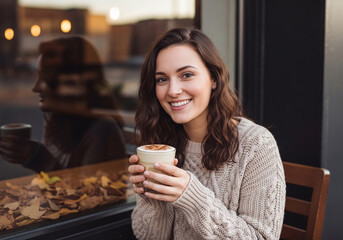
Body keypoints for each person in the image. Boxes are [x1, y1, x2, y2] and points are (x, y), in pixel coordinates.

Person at [128, 28, 286, 239]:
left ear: (213, 78)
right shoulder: (162, 143)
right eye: (162, 79)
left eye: (187, 75)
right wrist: (152, 195)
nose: (173, 90)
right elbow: (148, 237)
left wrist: (192, 197)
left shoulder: (256, 144)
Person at [0, 37, 127, 172]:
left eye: (45, 78)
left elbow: (90, 192)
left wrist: (37, 157)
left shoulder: (102, 130)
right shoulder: (55, 119)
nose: (35, 88)